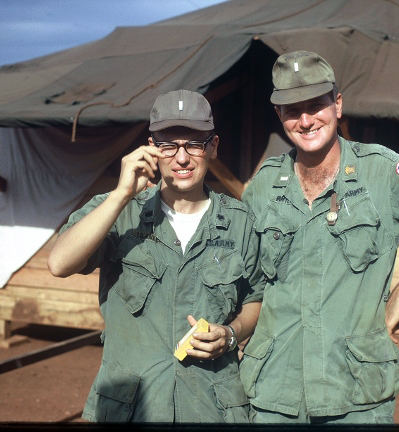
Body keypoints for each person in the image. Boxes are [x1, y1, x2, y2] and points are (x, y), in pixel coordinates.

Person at [239, 51, 399, 424]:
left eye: (316, 106)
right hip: (276, 392)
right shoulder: (263, 186)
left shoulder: (381, 173)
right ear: (279, 115)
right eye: (293, 110)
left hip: (356, 394)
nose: (305, 121)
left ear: (338, 105)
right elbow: (250, 285)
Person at [47, 89, 263, 423]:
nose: (181, 158)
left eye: (194, 144)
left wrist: (231, 335)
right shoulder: (119, 211)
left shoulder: (240, 221)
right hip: (132, 410)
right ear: (151, 148)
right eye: (168, 146)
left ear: (213, 147)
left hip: (212, 408)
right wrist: (121, 195)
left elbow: (255, 298)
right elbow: (59, 264)